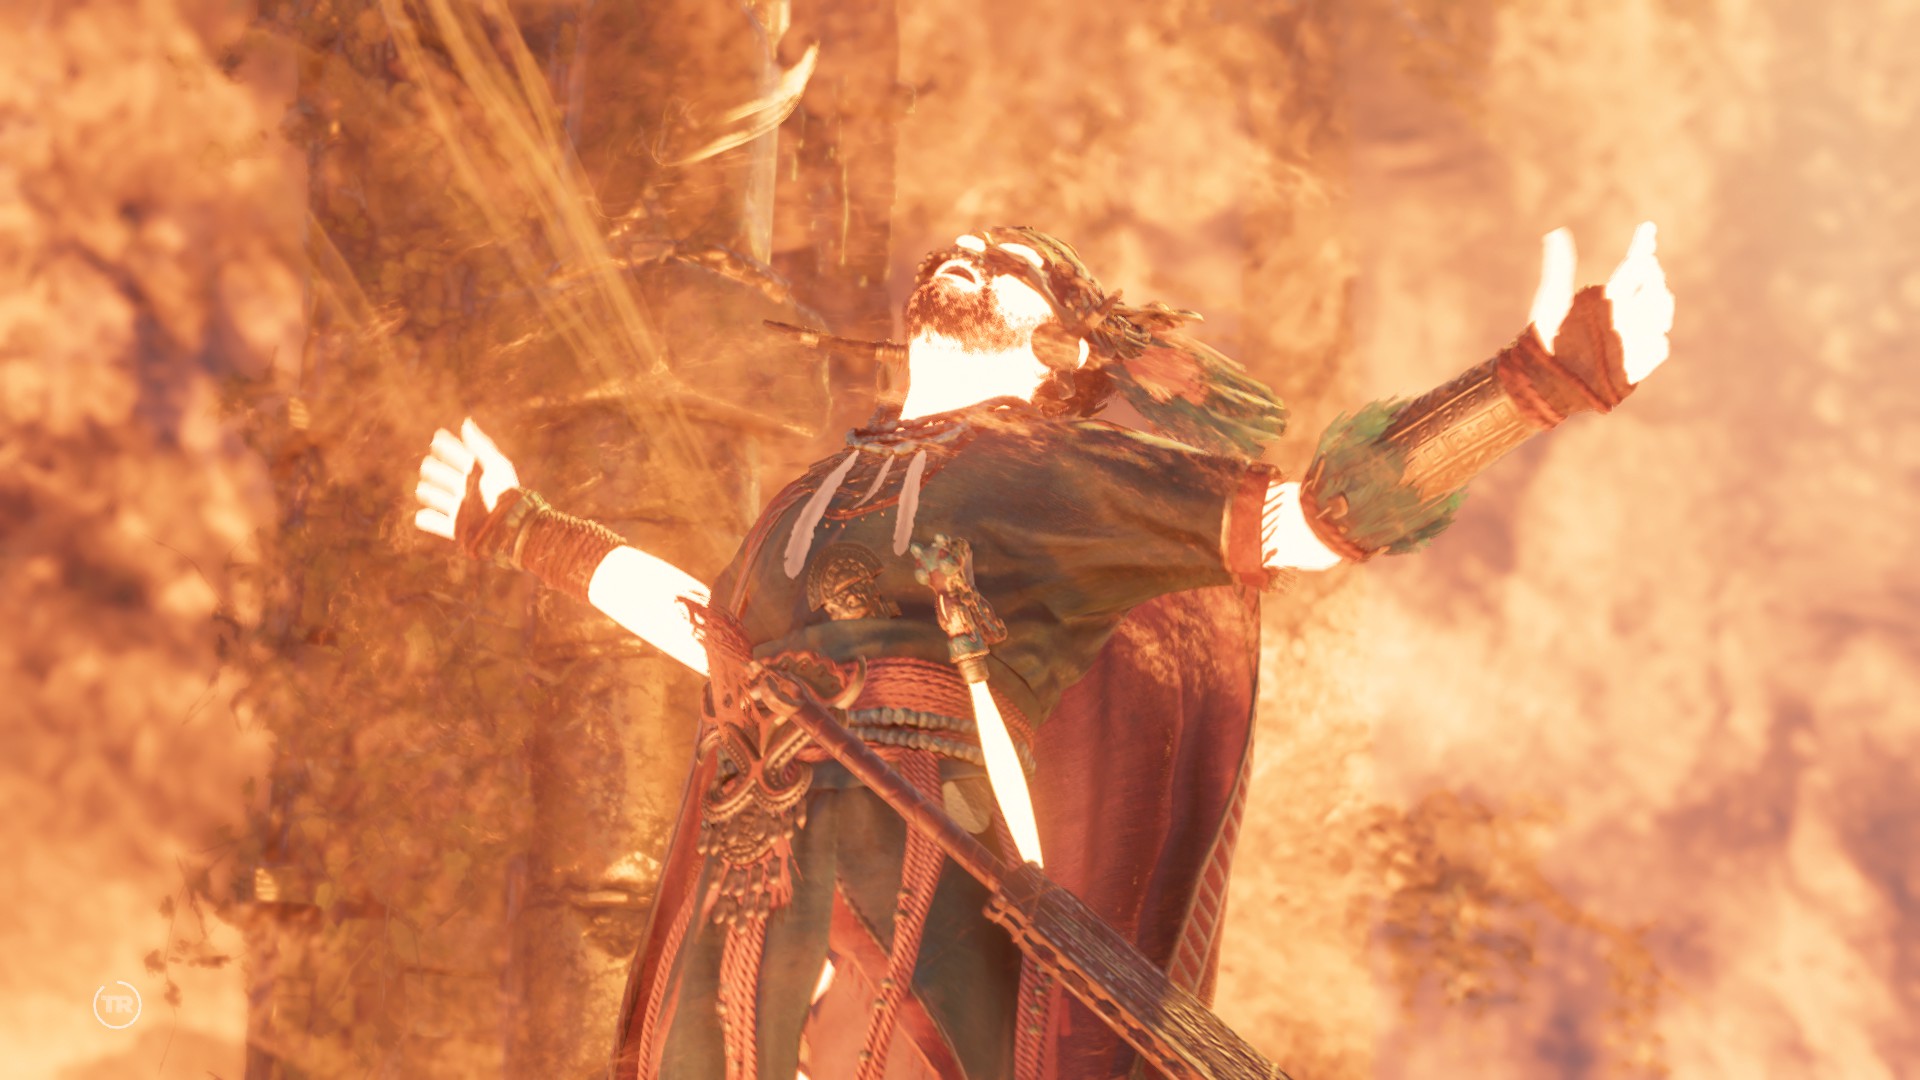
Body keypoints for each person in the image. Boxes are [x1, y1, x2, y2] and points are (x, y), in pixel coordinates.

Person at [412, 224, 1674, 1080]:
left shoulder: (1061, 472)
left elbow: (1303, 524)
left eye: (1012, 262)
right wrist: (522, 529)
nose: (973, 249)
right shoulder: (805, 496)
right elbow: (712, 635)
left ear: (1062, 342)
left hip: (922, 865)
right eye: (969, 245)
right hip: (749, 858)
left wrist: (1533, 386)